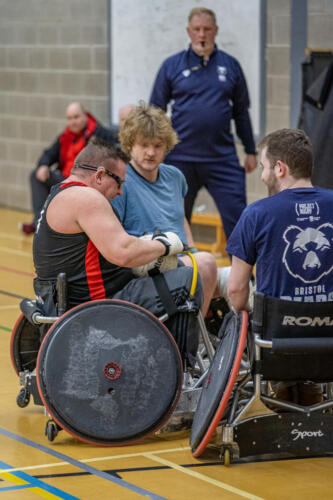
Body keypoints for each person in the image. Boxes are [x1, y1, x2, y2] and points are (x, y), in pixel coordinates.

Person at [33, 137, 202, 352]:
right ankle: (183, 369)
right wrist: (165, 245)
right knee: (188, 277)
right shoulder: (87, 198)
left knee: (169, 272)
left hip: (69, 302)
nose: (121, 191)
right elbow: (123, 253)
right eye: (120, 183)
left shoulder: (60, 192)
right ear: (101, 175)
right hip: (96, 308)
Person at [226, 128, 333, 404]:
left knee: (241, 312)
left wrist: (246, 315)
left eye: (263, 167)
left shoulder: (257, 213)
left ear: (280, 168)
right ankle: (307, 386)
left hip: (276, 345)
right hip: (328, 341)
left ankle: (285, 385)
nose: (262, 175)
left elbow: (237, 291)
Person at [111, 101, 230, 316]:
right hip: (149, 265)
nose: (150, 152)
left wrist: (192, 251)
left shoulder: (175, 176)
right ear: (130, 144)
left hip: (182, 258)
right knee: (206, 264)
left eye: (157, 146)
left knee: (241, 279)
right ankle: (195, 341)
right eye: (144, 145)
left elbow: (180, 218)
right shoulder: (121, 180)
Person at [149, 7, 257, 241]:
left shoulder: (231, 66)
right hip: (180, 158)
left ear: (215, 31)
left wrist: (250, 150)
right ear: (188, 32)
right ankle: (178, 275)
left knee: (239, 221)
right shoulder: (172, 65)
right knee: (174, 222)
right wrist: (154, 152)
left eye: (207, 29)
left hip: (222, 159)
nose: (202, 35)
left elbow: (241, 112)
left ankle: (244, 277)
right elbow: (155, 112)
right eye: (197, 30)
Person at [20, 102, 118, 235]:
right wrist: (43, 165)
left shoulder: (100, 133)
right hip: (65, 178)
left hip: (87, 182)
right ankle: (39, 223)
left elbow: (117, 148)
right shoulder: (65, 136)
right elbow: (49, 153)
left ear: (85, 116)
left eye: (76, 117)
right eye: (69, 118)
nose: (73, 122)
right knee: (36, 175)